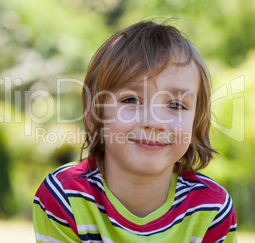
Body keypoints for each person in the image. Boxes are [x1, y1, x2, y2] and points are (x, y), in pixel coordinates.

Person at [33, 20, 237, 242]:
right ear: (93, 114)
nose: (154, 122)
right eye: (131, 99)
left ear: (197, 122)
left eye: (176, 105)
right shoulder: (65, 196)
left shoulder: (211, 209)